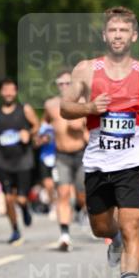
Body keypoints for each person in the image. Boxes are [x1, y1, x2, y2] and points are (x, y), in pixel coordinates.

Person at [60, 6, 139, 278]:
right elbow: (66, 107)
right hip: (99, 160)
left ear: (134, 36)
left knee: (133, 223)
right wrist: (90, 106)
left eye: (124, 31)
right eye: (113, 30)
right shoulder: (86, 70)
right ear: (104, 35)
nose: (118, 36)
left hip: (134, 159)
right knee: (101, 227)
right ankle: (115, 240)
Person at [0, 79, 39, 245]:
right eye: (5, 90)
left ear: (16, 92)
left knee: (21, 199)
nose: (8, 93)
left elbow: (36, 125)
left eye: (12, 90)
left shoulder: (25, 109)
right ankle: (15, 229)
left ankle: (24, 208)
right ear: (0, 92)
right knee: (9, 199)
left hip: (23, 159)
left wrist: (28, 133)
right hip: (4, 160)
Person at [43, 71, 88, 251]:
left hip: (81, 154)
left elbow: (88, 126)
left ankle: (80, 209)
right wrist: (43, 135)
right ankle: (64, 235)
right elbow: (45, 125)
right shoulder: (50, 104)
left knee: (82, 194)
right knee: (62, 193)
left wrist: (80, 122)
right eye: (60, 83)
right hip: (61, 155)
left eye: (68, 83)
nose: (64, 87)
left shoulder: (84, 103)